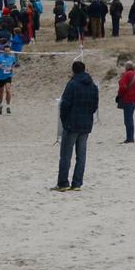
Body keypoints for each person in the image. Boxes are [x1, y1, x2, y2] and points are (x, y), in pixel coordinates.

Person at [53, 60, 99, 192]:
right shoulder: (93, 86)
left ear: (73, 70)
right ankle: (77, 183)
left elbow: (64, 104)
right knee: (81, 155)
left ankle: (63, 183)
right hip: (86, 124)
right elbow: (95, 106)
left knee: (66, 155)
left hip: (72, 124)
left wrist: (64, 120)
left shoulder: (72, 84)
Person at [116, 61, 135, 143]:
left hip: (127, 99)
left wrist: (120, 95)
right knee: (130, 118)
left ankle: (130, 138)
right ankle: (130, 137)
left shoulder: (126, 75)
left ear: (126, 67)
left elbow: (122, 87)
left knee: (128, 120)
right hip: (134, 100)